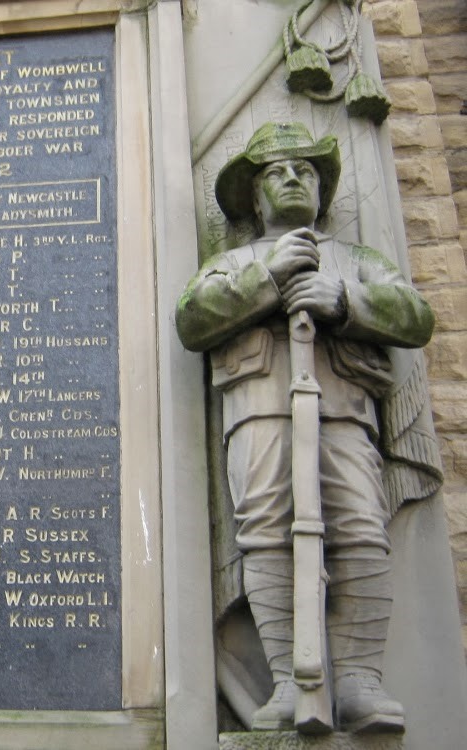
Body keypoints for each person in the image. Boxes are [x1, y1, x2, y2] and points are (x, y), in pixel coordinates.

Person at [176, 122, 434, 733]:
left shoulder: (357, 259)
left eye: (306, 172)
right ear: (256, 197)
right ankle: (292, 679)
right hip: (259, 408)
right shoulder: (233, 261)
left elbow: (414, 316)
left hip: (343, 409)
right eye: (277, 173)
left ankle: (359, 680)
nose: (293, 180)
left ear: (321, 190)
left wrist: (343, 299)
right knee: (265, 527)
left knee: (360, 527)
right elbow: (192, 320)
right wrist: (267, 279)